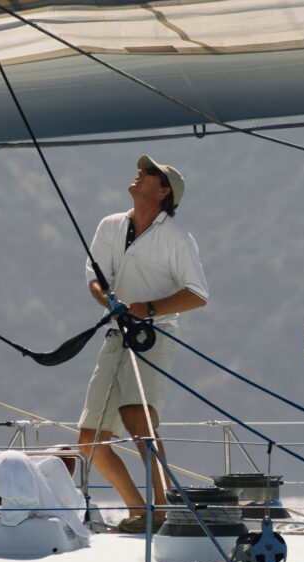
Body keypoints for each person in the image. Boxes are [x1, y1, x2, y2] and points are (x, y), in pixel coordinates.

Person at [77, 155, 208, 534]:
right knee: (90, 440)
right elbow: (94, 279)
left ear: (163, 191)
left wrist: (148, 308)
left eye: (149, 173)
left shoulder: (177, 236)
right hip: (117, 333)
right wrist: (109, 300)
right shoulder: (110, 225)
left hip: (155, 334)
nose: (140, 173)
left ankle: (162, 510)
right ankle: (140, 511)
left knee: (138, 417)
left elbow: (198, 294)